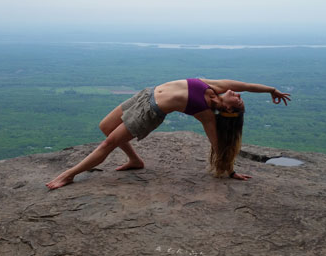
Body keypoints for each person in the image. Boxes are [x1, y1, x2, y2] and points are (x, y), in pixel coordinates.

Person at [46, 78, 291, 190]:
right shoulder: (216, 86)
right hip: (146, 94)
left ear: (227, 108)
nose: (237, 94)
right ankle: (135, 160)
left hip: (150, 111)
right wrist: (271, 90)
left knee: (108, 142)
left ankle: (69, 175)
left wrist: (230, 170)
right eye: (237, 96)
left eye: (237, 101)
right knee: (105, 126)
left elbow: (217, 144)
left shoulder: (205, 113)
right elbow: (248, 85)